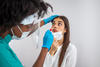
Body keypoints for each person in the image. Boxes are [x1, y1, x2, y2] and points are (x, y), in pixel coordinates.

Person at [0, 0, 58, 67]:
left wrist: (44, 21)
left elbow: (23, 29)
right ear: (13, 23)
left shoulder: (4, 37)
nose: (30, 29)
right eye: (29, 26)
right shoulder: (3, 57)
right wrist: (45, 49)